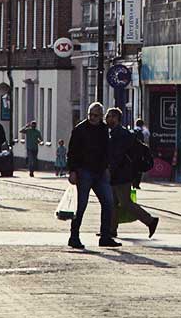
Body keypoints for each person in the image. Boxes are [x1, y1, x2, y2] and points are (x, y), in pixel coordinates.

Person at [64, 103, 117, 250]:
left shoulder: (104, 129)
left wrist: (107, 167)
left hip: (100, 172)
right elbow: (72, 152)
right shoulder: (80, 129)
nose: (92, 118)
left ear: (101, 116)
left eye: (95, 116)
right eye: (90, 115)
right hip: (84, 171)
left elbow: (107, 150)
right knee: (81, 205)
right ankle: (74, 236)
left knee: (108, 202)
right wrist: (72, 171)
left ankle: (105, 236)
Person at [106, 107, 160, 238]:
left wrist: (110, 168)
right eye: (107, 116)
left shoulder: (120, 134)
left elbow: (117, 156)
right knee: (112, 202)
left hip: (122, 174)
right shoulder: (114, 132)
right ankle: (111, 230)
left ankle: (150, 221)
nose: (107, 119)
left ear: (116, 118)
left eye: (110, 116)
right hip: (117, 173)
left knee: (125, 203)